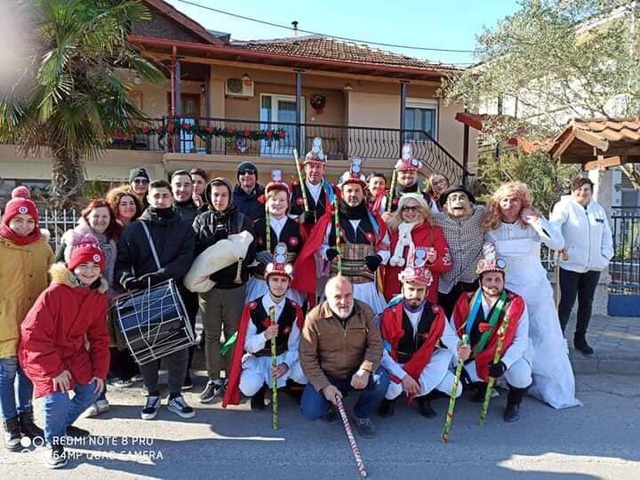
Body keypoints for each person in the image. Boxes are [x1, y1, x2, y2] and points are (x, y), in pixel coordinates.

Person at [483, 181, 580, 410]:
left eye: (514, 200)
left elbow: (557, 242)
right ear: (498, 203)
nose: (509, 205)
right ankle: (514, 381)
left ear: (523, 202)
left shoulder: (532, 225)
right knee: (509, 339)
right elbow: (490, 260)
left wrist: (536, 221)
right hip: (508, 295)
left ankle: (552, 388)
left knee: (545, 339)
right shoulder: (492, 228)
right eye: (505, 200)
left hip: (536, 292)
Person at [20, 235, 110, 468]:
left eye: (95, 266)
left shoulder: (98, 297)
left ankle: (60, 427)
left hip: (72, 352)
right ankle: (54, 442)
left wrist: (100, 372)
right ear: (72, 266)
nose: (89, 271)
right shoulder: (54, 293)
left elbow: (99, 337)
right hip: (42, 353)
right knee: (57, 397)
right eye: (83, 265)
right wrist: (54, 370)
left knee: (91, 390)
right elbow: (32, 334)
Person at [114, 179, 196, 420]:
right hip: (143, 294)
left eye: (164, 195)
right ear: (148, 199)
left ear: (171, 198)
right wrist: (127, 279)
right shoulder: (134, 230)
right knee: (146, 346)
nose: (160, 200)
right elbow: (122, 262)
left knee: (178, 347)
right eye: (156, 196)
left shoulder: (184, 228)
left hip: (175, 292)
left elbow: (185, 260)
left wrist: (159, 276)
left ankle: (177, 396)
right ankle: (151, 394)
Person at [293, 157, 390, 316]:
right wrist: (326, 252)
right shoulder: (330, 220)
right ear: (342, 194)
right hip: (338, 286)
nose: (353, 195)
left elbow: (386, 246)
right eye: (349, 191)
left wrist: (379, 258)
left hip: (366, 288)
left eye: (357, 191)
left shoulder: (375, 222)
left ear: (364, 193)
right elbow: (318, 245)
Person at [379, 248, 465, 419]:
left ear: (427, 292)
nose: (414, 295)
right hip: (398, 363)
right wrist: (404, 376)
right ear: (403, 289)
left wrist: (460, 348)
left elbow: (448, 337)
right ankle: (390, 400)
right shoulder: (389, 314)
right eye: (410, 289)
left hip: (424, 362)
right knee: (392, 389)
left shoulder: (435, 312)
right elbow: (382, 351)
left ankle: (423, 395)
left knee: (456, 388)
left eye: (420, 290)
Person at [451, 243, 533, 422]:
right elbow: (452, 332)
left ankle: (513, 403)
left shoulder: (515, 303)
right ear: (480, 281)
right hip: (475, 355)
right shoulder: (466, 300)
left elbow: (521, 341)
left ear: (503, 280)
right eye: (488, 279)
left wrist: (505, 363)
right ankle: (482, 387)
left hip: (504, 356)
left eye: (498, 279)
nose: (493, 284)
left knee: (521, 377)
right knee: (454, 384)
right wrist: (459, 349)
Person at [299, 276, 389, 439]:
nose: (344, 301)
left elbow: (376, 345)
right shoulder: (314, 318)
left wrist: (365, 369)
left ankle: (361, 414)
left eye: (348, 295)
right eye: (337, 297)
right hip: (329, 375)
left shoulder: (365, 311)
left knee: (381, 380)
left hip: (357, 372)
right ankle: (330, 402)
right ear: (327, 298)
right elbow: (307, 357)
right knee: (311, 412)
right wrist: (324, 386)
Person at [193, 178, 255, 404]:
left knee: (232, 335)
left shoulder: (242, 220)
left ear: (230, 196)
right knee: (211, 336)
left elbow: (250, 254)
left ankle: (230, 376)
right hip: (209, 288)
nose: (219, 199)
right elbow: (195, 252)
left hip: (234, 289)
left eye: (224, 195)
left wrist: (229, 251)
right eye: (215, 195)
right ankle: (213, 378)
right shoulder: (201, 220)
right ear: (210, 196)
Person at [223, 244, 307, 410]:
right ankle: (260, 390)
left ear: (289, 284)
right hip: (259, 358)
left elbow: (296, 344)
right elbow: (245, 343)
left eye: (283, 280)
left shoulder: (293, 309)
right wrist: (264, 336)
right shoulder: (254, 308)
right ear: (267, 281)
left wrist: (286, 365)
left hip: (282, 356)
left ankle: (291, 385)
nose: (279, 285)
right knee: (248, 386)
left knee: (304, 372)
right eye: (275, 280)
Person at [0, 187, 53, 450]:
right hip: (5, 323)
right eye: (18, 220)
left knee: (28, 374)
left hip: (34, 326)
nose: (24, 225)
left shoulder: (42, 246)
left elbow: (53, 281)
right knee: (6, 375)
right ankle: (10, 424)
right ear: (7, 220)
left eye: (30, 220)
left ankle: (27, 419)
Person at [550, 177, 614, 355]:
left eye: (586, 189)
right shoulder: (564, 207)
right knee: (567, 303)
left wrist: (604, 257)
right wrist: (559, 245)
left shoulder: (598, 209)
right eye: (578, 189)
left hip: (593, 267)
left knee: (587, 303)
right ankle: (558, 338)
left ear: (591, 191)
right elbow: (554, 228)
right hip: (570, 265)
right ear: (573, 191)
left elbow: (607, 235)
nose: (582, 193)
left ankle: (580, 338)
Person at [246, 170, 305, 305]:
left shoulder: (296, 226)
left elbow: (303, 253)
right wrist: (257, 255)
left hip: (288, 285)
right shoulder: (256, 225)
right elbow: (248, 251)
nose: (277, 203)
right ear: (267, 202)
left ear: (288, 203)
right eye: (273, 199)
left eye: (282, 200)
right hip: (261, 282)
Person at [383, 193, 451, 303]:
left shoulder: (433, 231)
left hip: (422, 294)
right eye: (405, 208)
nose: (410, 212)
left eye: (415, 208)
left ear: (423, 210)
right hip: (393, 292)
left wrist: (433, 260)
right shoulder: (392, 231)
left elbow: (446, 264)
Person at [433, 185, 485, 317]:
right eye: (453, 198)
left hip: (473, 281)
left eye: (462, 198)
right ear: (445, 206)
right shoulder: (436, 220)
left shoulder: (481, 214)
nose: (458, 201)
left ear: (471, 204)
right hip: (446, 283)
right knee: (446, 320)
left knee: (472, 321)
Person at [170, 170, 201, 389]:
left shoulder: (200, 213)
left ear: (193, 188)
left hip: (190, 281)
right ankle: (171, 373)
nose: (182, 189)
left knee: (188, 327)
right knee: (167, 327)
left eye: (186, 185)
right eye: (178, 185)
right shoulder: (162, 211)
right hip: (166, 280)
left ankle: (184, 372)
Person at [289, 137, 338, 237]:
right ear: (305, 169)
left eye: (318, 167)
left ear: (323, 169)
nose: (314, 171)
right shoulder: (293, 189)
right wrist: (299, 218)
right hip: (301, 240)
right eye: (311, 166)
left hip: (324, 240)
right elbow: (282, 217)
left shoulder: (332, 191)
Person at [381, 143, 431, 222]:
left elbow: (434, 221)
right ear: (397, 175)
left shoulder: (427, 199)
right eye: (403, 172)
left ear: (417, 175)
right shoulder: (386, 198)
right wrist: (382, 219)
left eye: (411, 173)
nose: (407, 175)